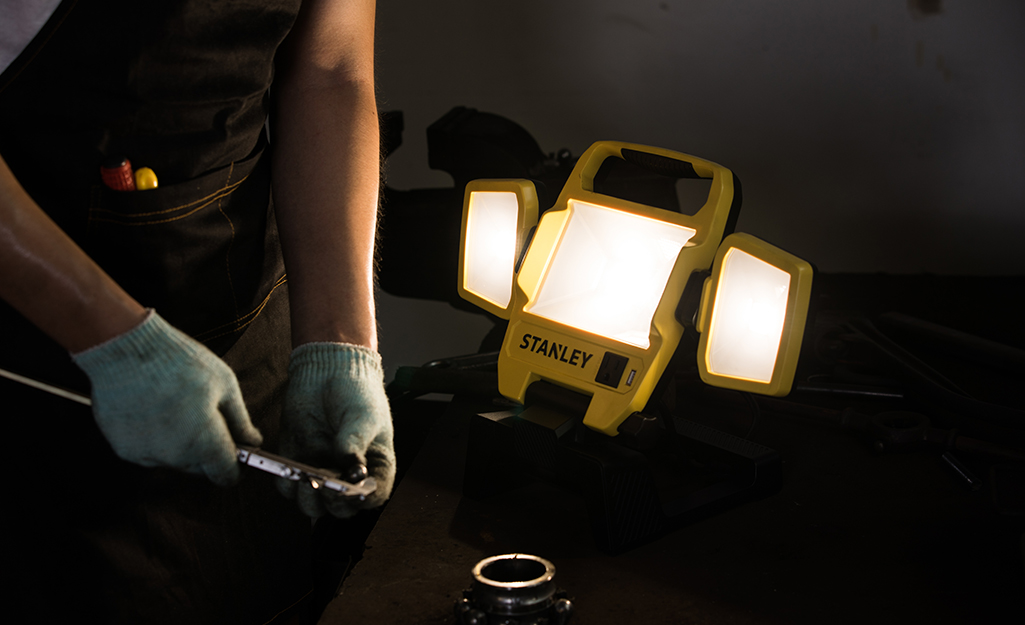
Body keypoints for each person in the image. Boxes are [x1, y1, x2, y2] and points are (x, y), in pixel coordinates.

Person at [0, 0, 394, 622]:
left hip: (239, 317)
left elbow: (330, 72)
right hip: (37, 357)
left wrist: (339, 342)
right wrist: (111, 336)